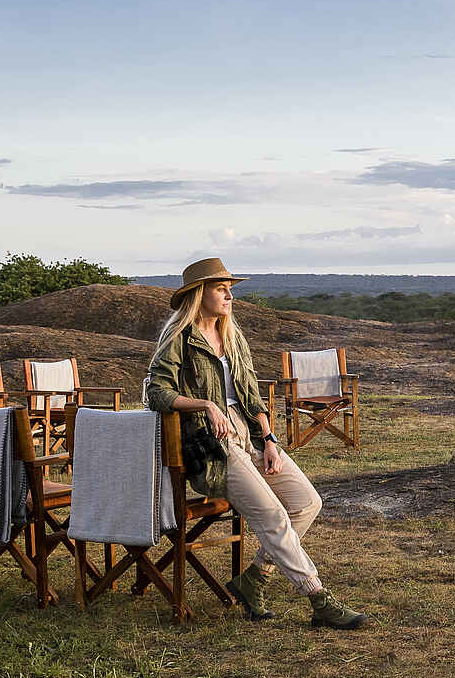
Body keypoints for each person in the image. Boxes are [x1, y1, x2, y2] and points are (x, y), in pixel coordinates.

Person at [145, 256, 366, 630]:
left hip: (248, 436)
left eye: (230, 288)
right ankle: (318, 598)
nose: (230, 294)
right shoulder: (179, 338)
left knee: (306, 502)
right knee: (275, 517)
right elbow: (156, 392)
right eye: (220, 288)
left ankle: (253, 579)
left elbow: (251, 394)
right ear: (199, 294)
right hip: (210, 446)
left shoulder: (233, 335)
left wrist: (269, 439)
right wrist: (206, 404)